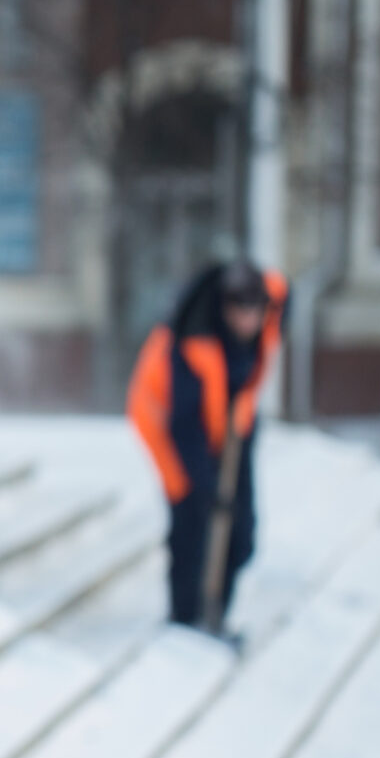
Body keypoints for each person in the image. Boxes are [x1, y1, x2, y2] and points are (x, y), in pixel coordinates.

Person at [127, 258, 288, 637]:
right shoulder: (192, 338)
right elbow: (183, 424)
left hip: (234, 421)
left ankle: (217, 612)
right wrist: (207, 486)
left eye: (256, 312)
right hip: (165, 421)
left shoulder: (273, 306)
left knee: (241, 529)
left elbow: (285, 295)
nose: (249, 322)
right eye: (240, 312)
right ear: (224, 308)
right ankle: (185, 619)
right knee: (192, 516)